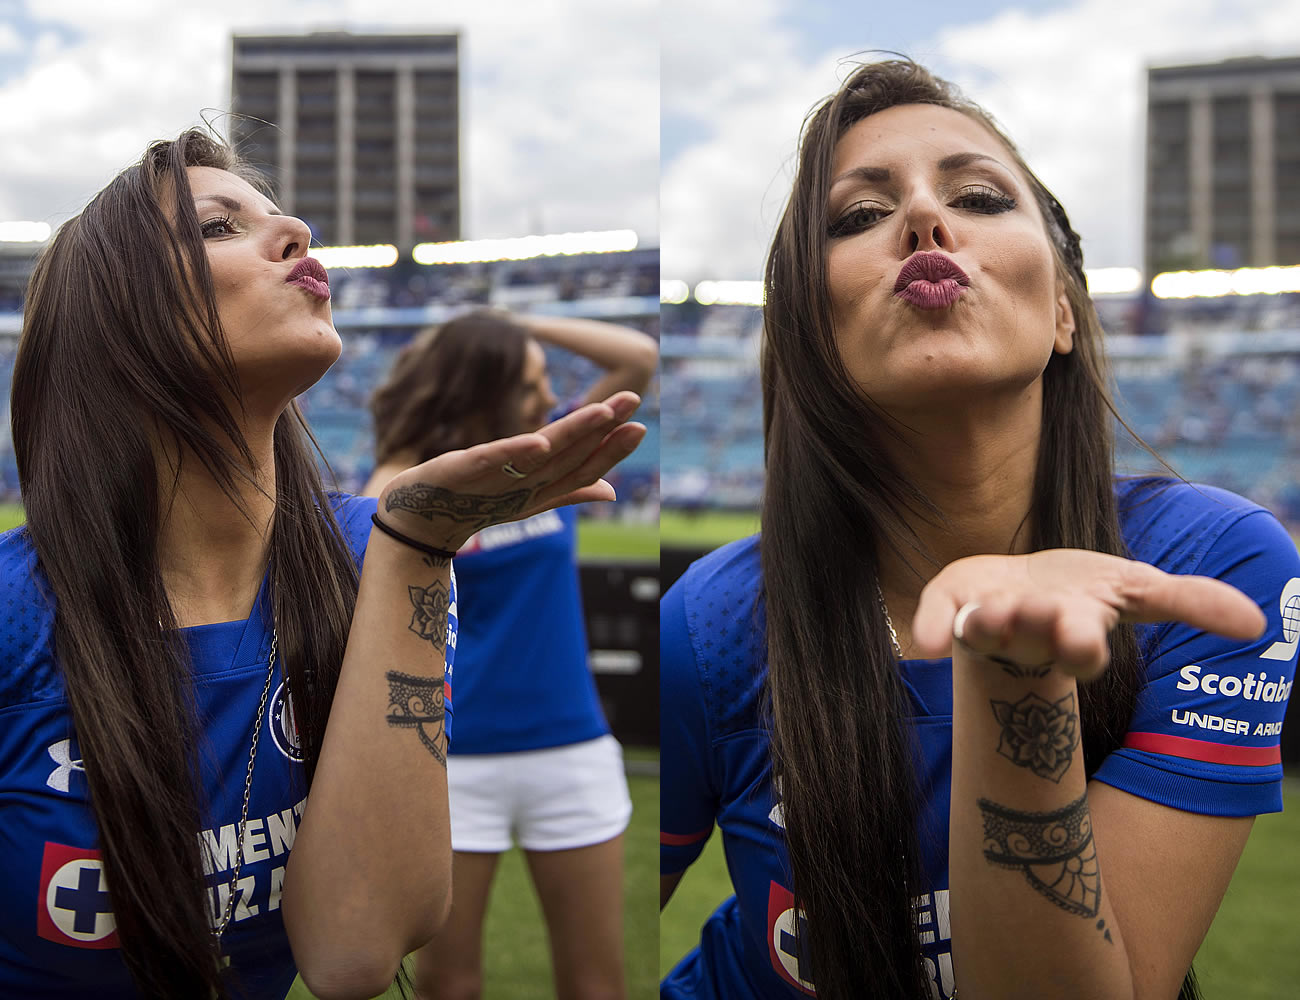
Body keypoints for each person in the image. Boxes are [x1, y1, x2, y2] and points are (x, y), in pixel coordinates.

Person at [659, 59, 1298, 1000]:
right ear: (809, 336)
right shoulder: (709, 624)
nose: (924, 219)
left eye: (980, 196)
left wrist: (1016, 681)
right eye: (858, 217)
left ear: (1065, 315)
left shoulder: (1210, 565)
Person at [0, 128, 644, 1000]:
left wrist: (418, 550)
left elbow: (354, 954)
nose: (296, 229)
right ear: (114, 319)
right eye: (218, 227)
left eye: (278, 215)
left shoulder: (368, 552)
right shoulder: (15, 612)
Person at [364, 307, 657, 1000]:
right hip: (448, 762)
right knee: (449, 985)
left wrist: (511, 320)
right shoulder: (407, 478)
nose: (551, 398)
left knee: (596, 987)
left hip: (570, 750)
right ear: (482, 386)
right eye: (531, 384)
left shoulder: (547, 459)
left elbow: (637, 358)